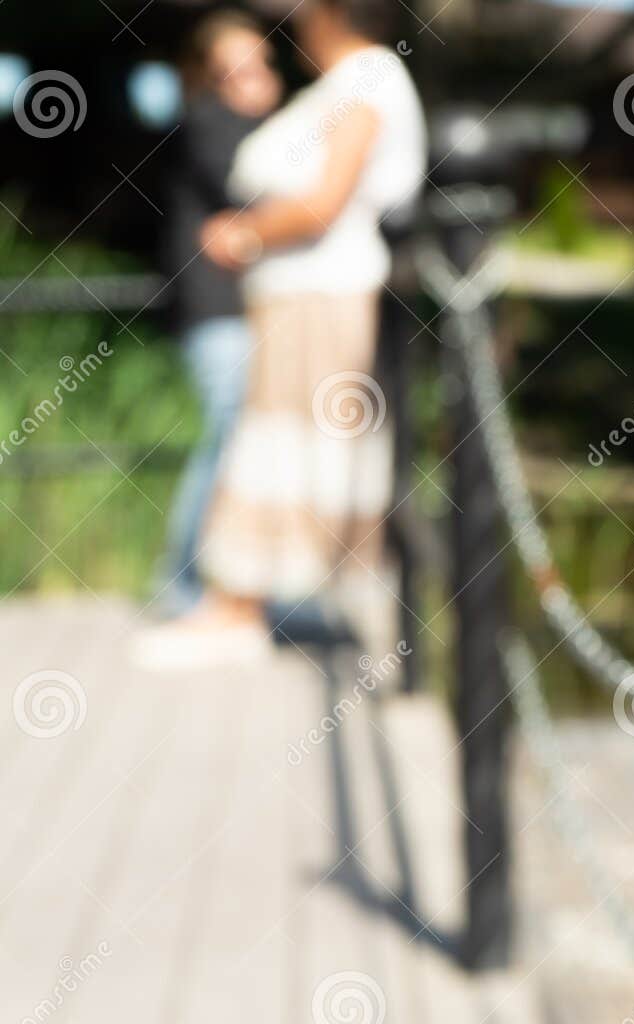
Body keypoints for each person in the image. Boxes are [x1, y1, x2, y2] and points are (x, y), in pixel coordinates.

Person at [135, 0, 425, 668]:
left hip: (319, 299)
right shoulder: (351, 83)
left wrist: (244, 232)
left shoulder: (367, 80)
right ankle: (248, 604)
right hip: (301, 300)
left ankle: (237, 608)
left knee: (274, 447)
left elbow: (325, 200)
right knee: (275, 445)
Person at [156, 11, 281, 616]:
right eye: (238, 64)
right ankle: (181, 582)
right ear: (210, 71)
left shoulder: (239, 125)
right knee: (227, 442)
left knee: (242, 444)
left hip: (240, 310)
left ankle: (240, 585)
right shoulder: (210, 124)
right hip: (216, 310)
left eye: (260, 62)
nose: (253, 76)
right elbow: (256, 188)